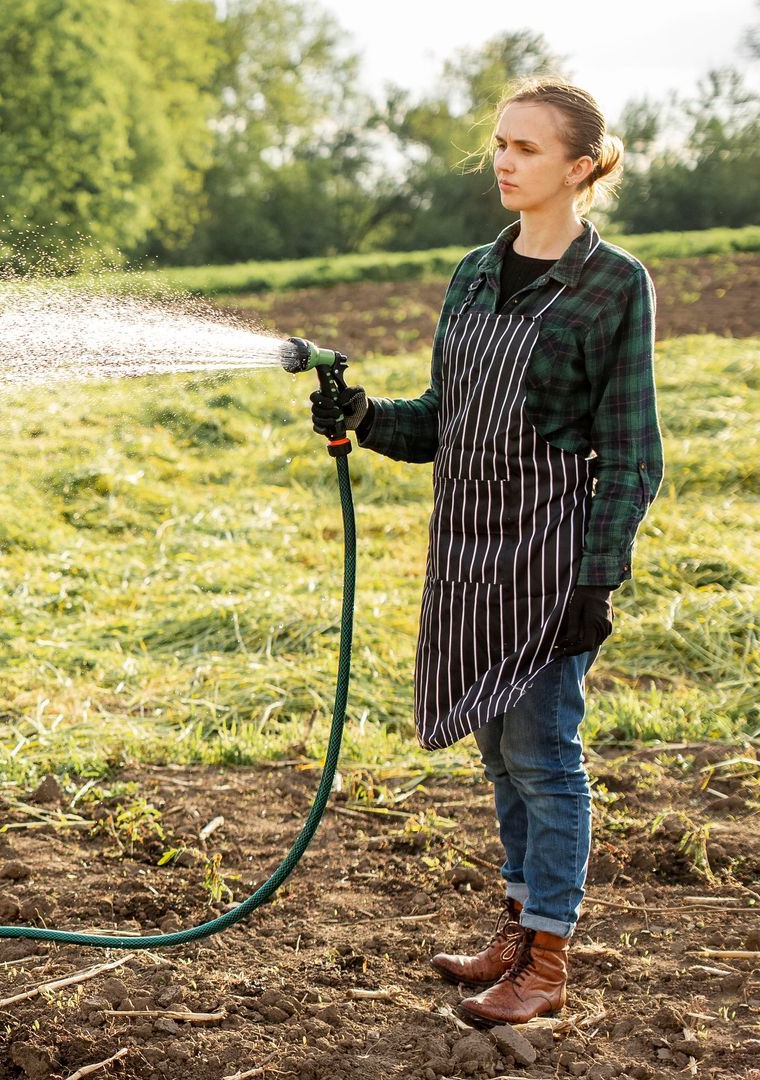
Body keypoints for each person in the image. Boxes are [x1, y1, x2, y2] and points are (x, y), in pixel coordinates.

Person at [310, 77, 663, 1025]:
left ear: (580, 167)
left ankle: (546, 960)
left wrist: (598, 581)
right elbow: (441, 422)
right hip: (465, 551)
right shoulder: (473, 271)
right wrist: (367, 417)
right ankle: (517, 922)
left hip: (551, 554)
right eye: (500, 144)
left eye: (528, 149)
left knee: (546, 753)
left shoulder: (613, 284)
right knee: (501, 753)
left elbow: (635, 453)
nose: (505, 162)